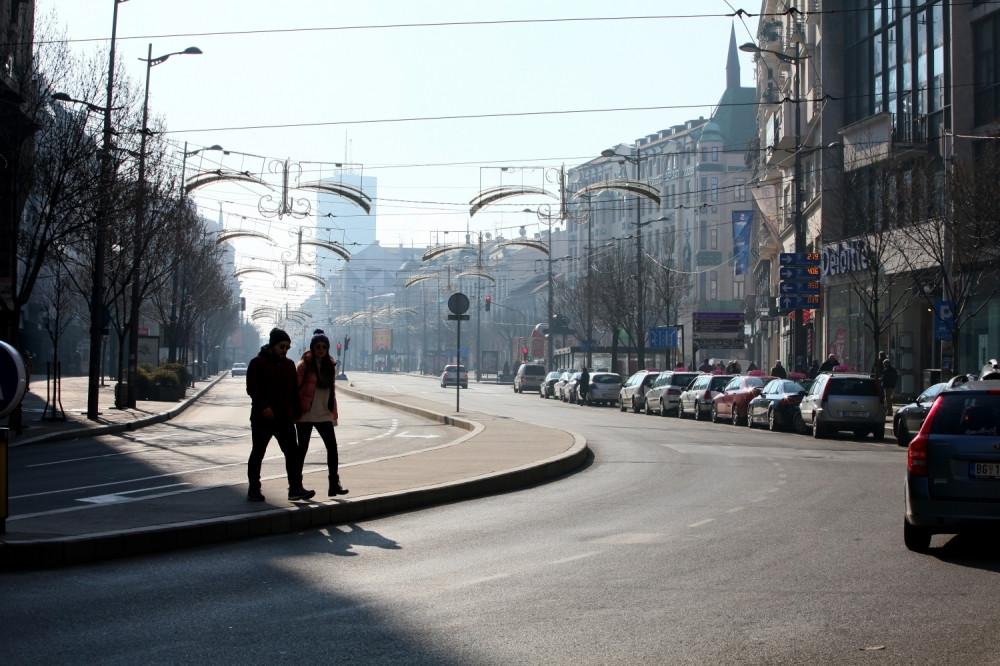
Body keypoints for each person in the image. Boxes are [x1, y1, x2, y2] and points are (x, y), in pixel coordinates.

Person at [245, 327, 314, 503]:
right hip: (263, 418)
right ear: (272, 345)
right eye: (281, 346)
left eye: (287, 347)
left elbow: (294, 391)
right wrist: (264, 407)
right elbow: (252, 388)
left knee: (292, 453)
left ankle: (295, 488)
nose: (284, 350)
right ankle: (254, 489)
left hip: (284, 418)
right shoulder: (257, 363)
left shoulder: (289, 365)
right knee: (258, 452)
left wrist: (296, 412)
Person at [296, 330, 349, 497]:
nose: (321, 349)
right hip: (306, 413)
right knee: (301, 450)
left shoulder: (330, 366)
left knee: (332, 448)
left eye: (324, 347)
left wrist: (333, 412)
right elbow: (296, 388)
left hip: (324, 413)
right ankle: (296, 485)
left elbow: (332, 391)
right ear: (312, 347)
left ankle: (334, 484)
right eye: (318, 346)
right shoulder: (304, 366)